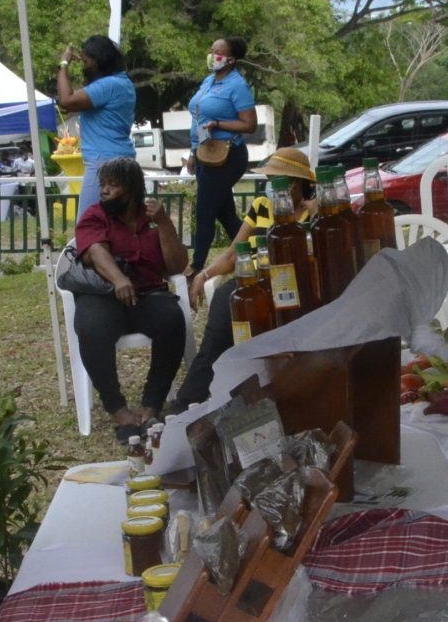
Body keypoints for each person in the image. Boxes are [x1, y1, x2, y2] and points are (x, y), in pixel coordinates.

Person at [169, 146, 316, 412]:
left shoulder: (312, 214)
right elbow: (234, 254)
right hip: (252, 282)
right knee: (223, 313)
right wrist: (204, 274)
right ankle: (187, 404)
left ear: (294, 185)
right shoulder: (262, 207)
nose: (270, 188)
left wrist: (317, 211)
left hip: (292, 289)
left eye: (275, 182)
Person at [71, 156, 189, 441]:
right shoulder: (95, 215)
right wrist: (118, 278)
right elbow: (95, 251)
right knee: (91, 327)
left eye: (113, 184)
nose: (105, 190)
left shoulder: (152, 220)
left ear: (133, 188)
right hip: (103, 295)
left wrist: (162, 223)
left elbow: (175, 266)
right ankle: (118, 410)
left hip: (146, 294)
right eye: (103, 184)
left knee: (172, 320)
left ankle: (151, 408)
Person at [185, 36, 258, 263]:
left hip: (228, 155)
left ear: (231, 60)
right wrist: (192, 152)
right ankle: (254, 252)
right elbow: (198, 118)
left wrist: (219, 124)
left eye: (218, 52)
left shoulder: (237, 86)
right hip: (205, 154)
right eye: (212, 49)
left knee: (204, 210)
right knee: (225, 214)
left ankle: (196, 268)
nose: (212, 55)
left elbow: (250, 124)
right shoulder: (208, 82)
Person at [54, 34, 136, 210]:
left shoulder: (108, 85)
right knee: (116, 222)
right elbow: (73, 105)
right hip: (123, 157)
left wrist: (64, 64)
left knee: (87, 224)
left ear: (99, 60)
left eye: (86, 62)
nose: (84, 67)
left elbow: (66, 100)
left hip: (102, 162)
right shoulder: (124, 82)